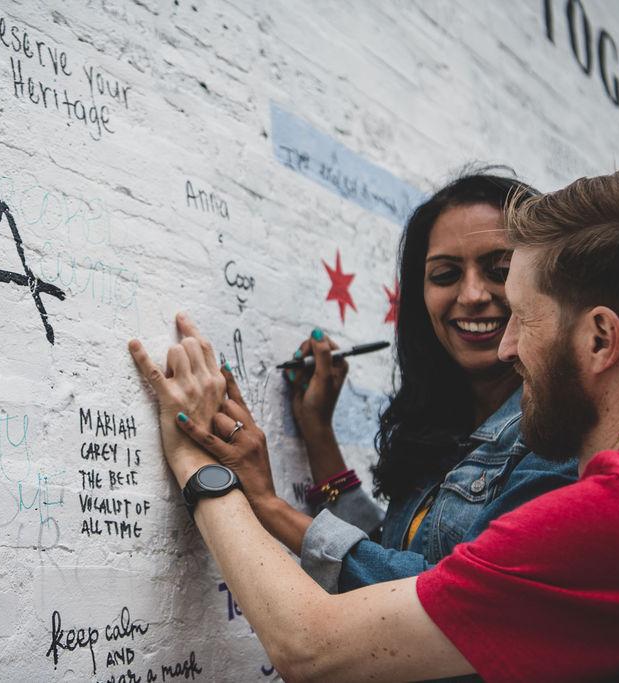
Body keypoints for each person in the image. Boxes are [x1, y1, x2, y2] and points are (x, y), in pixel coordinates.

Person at [128, 166, 619, 682]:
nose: (507, 346)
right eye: (445, 274)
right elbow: (419, 565)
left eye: (525, 316)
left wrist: (197, 463)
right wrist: (316, 442)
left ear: (599, 339)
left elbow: (310, 648)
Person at [181, 172, 578, 595]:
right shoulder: (446, 424)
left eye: (499, 270)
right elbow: (388, 555)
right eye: (445, 275)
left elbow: (441, 597)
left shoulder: (559, 438)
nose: (473, 294)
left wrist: (268, 505)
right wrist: (317, 433)